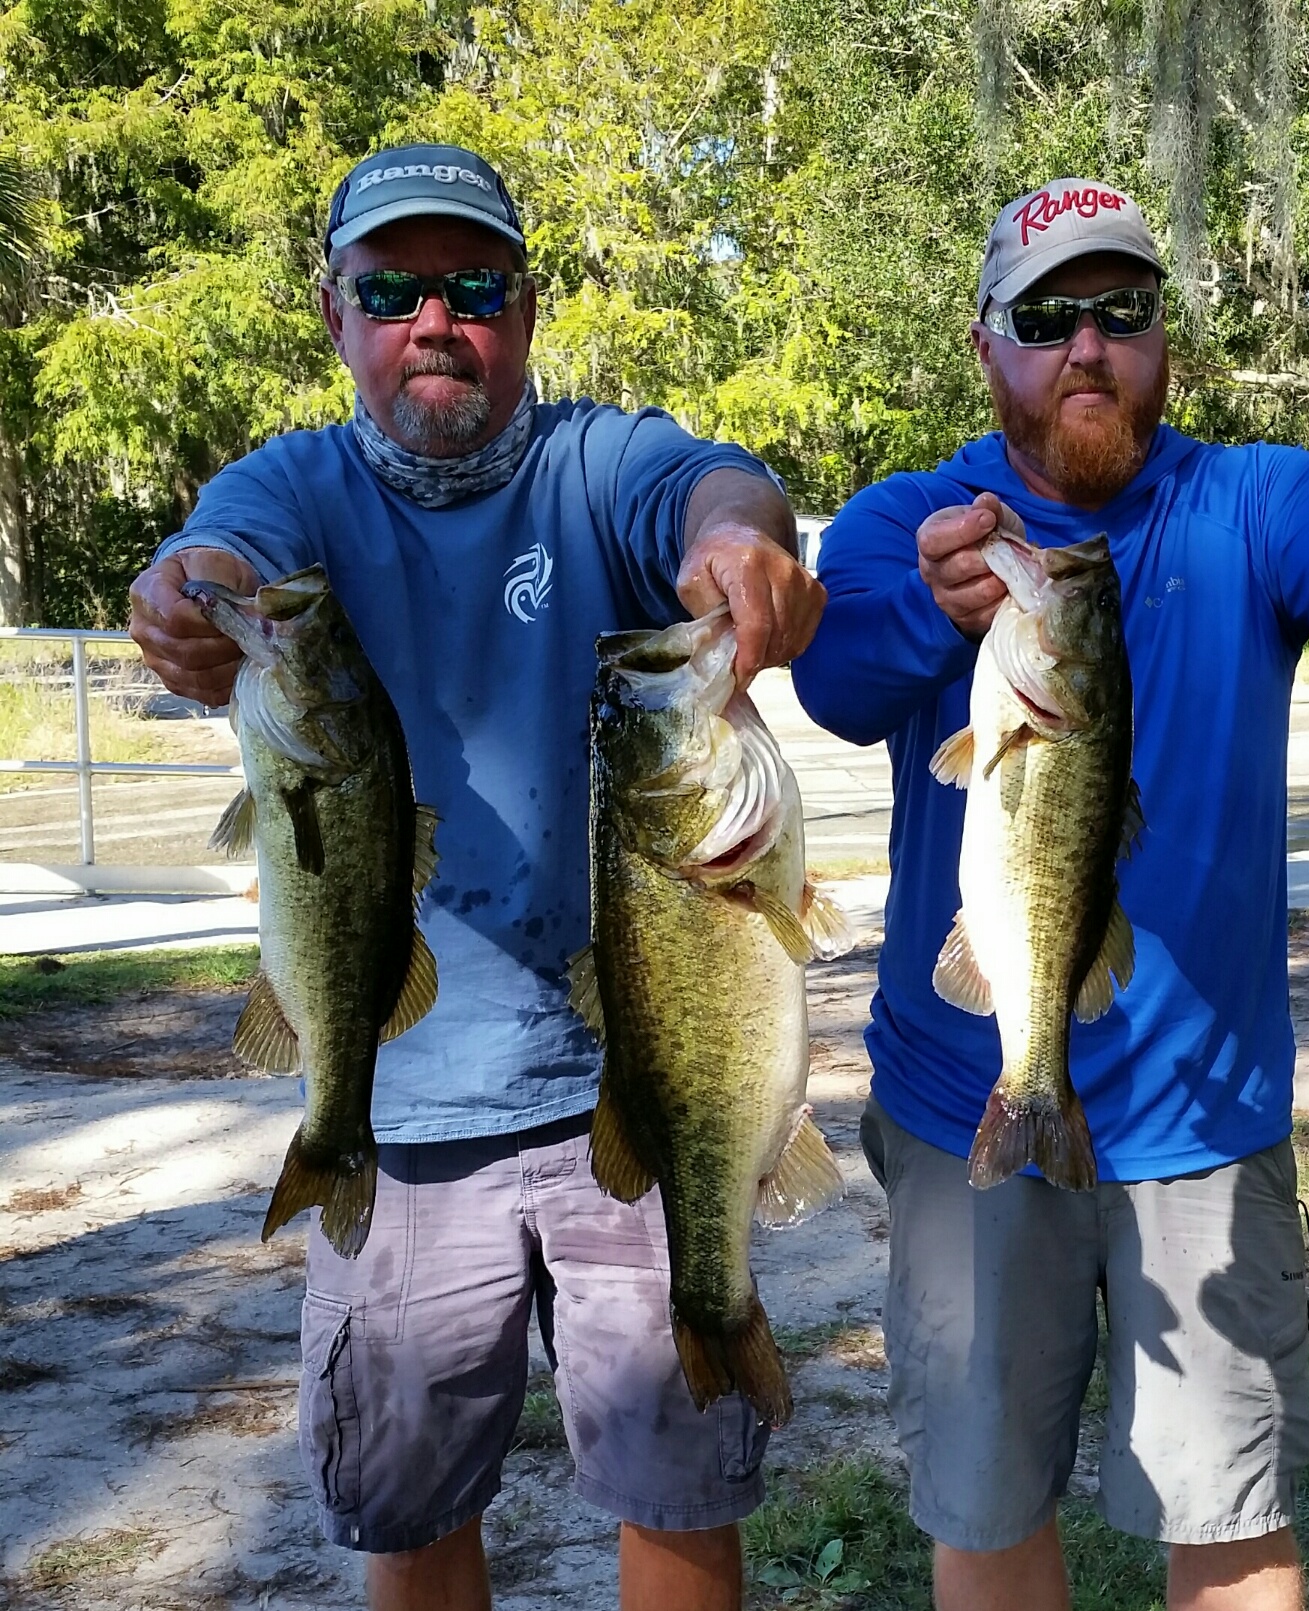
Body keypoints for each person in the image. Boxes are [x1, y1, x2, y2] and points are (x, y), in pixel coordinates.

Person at [790, 178, 1309, 1611]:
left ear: (1163, 339)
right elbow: (834, 683)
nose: (1087, 346)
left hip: (1204, 1123)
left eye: (1121, 310)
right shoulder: (908, 519)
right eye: (1047, 318)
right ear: (986, 344)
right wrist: (928, 617)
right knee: (984, 1509)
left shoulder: (1252, 499)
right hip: (964, 1104)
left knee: (1228, 1513)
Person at [128, 144, 822, 1611]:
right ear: (335, 313)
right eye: (392, 289)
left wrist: (738, 539)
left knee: (677, 1490)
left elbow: (715, 486)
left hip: (635, 1093)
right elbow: (222, 552)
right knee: (412, 1510)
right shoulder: (294, 486)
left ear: (525, 308)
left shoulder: (596, 461)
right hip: (397, 1116)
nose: (434, 321)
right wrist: (188, 593)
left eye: (474, 287)